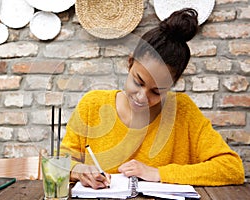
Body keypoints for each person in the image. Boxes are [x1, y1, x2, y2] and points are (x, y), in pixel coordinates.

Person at [60, 8, 245, 189]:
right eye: (138, 82)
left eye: (156, 92)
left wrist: (159, 174)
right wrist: (78, 170)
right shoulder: (92, 105)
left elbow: (232, 168)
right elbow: (60, 162)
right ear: (130, 63)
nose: (142, 97)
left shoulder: (182, 111)